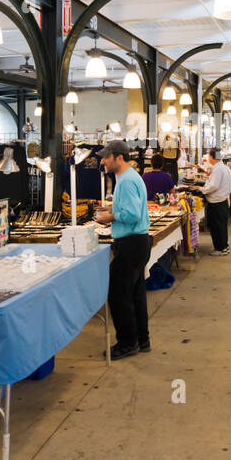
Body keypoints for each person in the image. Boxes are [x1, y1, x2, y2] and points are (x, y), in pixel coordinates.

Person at [94, 139, 151, 360]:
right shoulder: (128, 177)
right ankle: (141, 339)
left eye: (107, 157)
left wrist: (110, 216)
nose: (104, 161)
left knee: (118, 295)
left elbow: (133, 215)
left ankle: (127, 343)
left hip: (131, 244)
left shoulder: (126, 181)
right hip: (138, 242)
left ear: (119, 157)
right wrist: (111, 207)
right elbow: (132, 207)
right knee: (135, 294)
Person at [198, 148, 231, 255]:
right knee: (222, 225)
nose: (208, 158)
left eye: (208, 156)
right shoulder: (225, 168)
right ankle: (224, 246)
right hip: (222, 200)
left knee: (216, 226)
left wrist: (202, 190)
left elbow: (214, 185)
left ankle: (219, 248)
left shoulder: (217, 169)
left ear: (212, 157)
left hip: (216, 201)